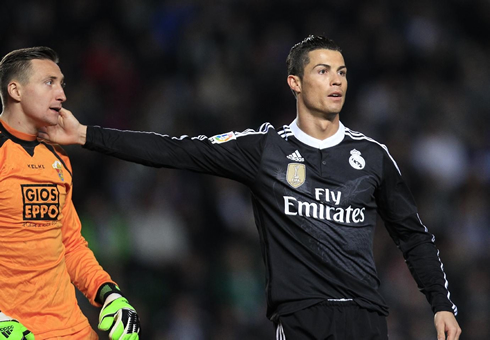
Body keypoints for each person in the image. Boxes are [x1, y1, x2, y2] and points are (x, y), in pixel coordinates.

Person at [39, 35, 462, 339]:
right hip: (300, 319)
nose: (336, 81)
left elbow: (413, 236)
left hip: (367, 318)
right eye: (322, 71)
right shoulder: (265, 150)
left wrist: (441, 304)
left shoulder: (372, 156)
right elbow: (176, 151)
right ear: (295, 83)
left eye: (342, 72)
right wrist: (86, 135)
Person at [0, 47, 141, 340]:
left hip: (73, 330)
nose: (62, 95)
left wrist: (109, 294)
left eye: (62, 83)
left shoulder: (59, 157)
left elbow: (71, 244)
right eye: (49, 82)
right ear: (15, 90)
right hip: (14, 329)